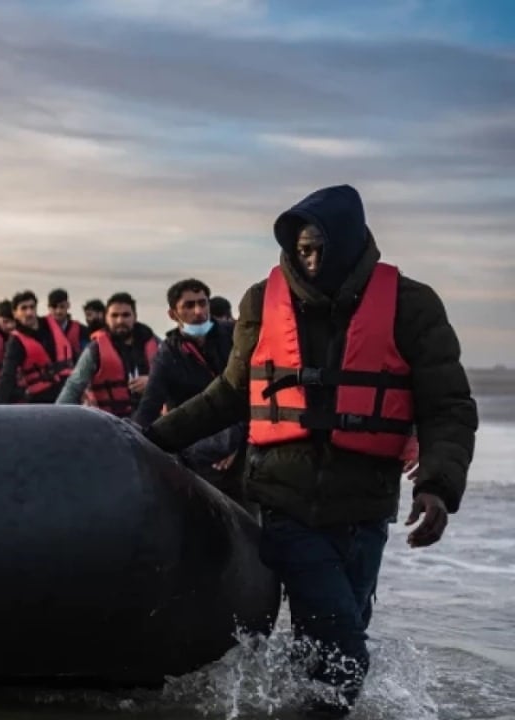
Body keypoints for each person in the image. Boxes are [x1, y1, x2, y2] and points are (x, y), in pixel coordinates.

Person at [143, 185, 478, 716]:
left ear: (351, 243)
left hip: (366, 506)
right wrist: (148, 441)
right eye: (303, 251)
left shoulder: (412, 305)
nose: (313, 261)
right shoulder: (262, 300)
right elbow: (231, 394)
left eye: (322, 249)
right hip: (286, 502)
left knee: (330, 642)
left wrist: (438, 486)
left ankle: (289, 705)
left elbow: (448, 405)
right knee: (345, 659)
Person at [134, 279, 242, 499]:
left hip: (241, 438)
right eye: (189, 305)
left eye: (203, 303)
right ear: (173, 314)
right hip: (197, 446)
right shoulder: (167, 355)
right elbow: (149, 405)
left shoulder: (234, 337)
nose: (199, 311)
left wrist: (239, 446)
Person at [56, 292, 158, 416]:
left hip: (150, 418)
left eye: (126, 315)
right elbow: (73, 387)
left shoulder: (156, 344)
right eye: (114, 315)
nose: (120, 320)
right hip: (111, 420)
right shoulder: (95, 349)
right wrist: (56, 417)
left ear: (135, 317)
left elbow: (173, 378)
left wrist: (152, 382)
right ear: (106, 318)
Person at [0, 290, 73, 404]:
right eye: (24, 308)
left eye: (32, 307)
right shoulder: (16, 342)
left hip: (68, 393)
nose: (29, 312)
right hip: (42, 401)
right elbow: (7, 377)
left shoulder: (53, 325)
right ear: (15, 313)